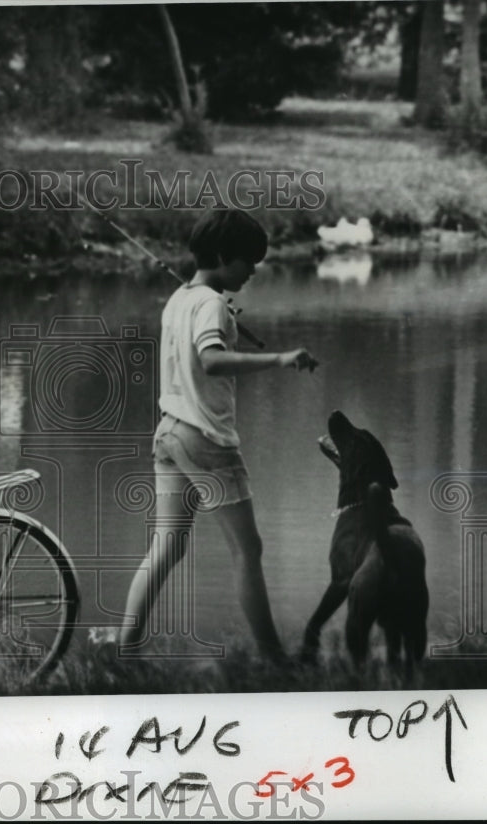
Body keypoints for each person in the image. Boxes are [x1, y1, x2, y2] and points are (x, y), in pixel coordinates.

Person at [118, 207, 316, 661]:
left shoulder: (181, 298)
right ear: (225, 255)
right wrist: (280, 359)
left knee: (165, 547)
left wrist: (223, 319)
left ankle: (125, 652)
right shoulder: (209, 304)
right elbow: (210, 360)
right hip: (205, 441)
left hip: (168, 434)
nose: (252, 271)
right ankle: (274, 661)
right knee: (248, 549)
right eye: (248, 262)